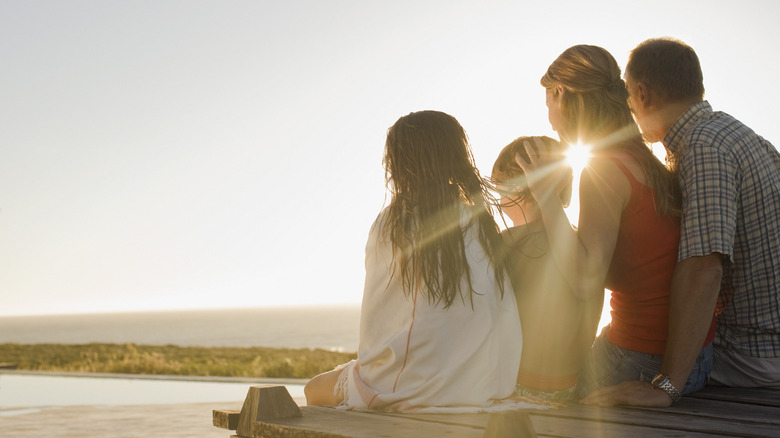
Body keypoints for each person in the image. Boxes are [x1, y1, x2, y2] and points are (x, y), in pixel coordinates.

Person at [583, 38, 780, 407]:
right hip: (768, 342)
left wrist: (666, 387)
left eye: (627, 94)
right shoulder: (738, 133)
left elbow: (705, 267)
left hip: (749, 353)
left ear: (641, 93)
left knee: (585, 377)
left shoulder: (705, 148)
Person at [514, 45, 714, 401]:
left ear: (560, 93)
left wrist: (544, 195)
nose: (548, 115)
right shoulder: (644, 159)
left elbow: (584, 279)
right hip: (696, 359)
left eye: (547, 102)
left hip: (642, 362)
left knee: (527, 389)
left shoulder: (603, 168)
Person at [304, 110, 522, 412]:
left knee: (313, 390)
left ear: (401, 164)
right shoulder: (482, 224)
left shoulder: (393, 222)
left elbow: (379, 325)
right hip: (481, 385)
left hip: (408, 386)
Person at [492, 136, 603, 404]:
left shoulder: (507, 243)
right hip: (567, 387)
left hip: (519, 385)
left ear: (516, 189)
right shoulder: (581, 246)